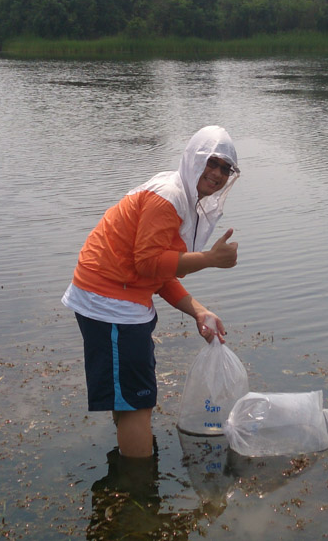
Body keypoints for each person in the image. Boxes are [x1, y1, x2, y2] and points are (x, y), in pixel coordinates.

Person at [62, 125, 240, 458]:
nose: (216, 173)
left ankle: (131, 470)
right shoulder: (169, 197)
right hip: (108, 301)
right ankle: (138, 490)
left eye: (224, 168)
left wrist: (198, 309)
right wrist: (210, 259)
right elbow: (149, 264)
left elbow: (159, 271)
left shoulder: (186, 200)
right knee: (136, 404)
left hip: (121, 298)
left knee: (130, 398)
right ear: (193, 159)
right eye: (211, 163)